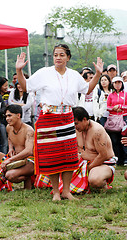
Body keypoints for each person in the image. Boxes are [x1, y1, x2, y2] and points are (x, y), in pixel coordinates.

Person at [16, 44, 103, 201]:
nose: (58, 58)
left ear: (68, 57)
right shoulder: (44, 73)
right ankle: (56, 192)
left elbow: (87, 89)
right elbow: (25, 86)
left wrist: (97, 74)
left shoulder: (75, 75)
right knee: (52, 156)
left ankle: (66, 191)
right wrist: (19, 71)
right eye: (55, 55)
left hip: (67, 118)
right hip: (48, 118)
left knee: (69, 155)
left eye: (62, 55)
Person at [0, 104, 34, 189]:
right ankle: (1, 184)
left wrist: (10, 160)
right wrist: (11, 148)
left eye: (9, 115)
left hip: (30, 162)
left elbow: (28, 151)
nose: (7, 118)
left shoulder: (29, 130)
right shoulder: (9, 127)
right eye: (6, 116)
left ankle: (28, 178)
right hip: (15, 158)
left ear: (18, 115)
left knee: (10, 175)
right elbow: (10, 138)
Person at [73, 106, 117, 190]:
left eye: (76, 123)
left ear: (85, 119)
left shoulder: (97, 131)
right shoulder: (77, 130)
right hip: (84, 162)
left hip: (104, 163)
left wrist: (87, 169)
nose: (75, 126)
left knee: (95, 180)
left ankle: (103, 184)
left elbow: (103, 155)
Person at [107, 76, 127, 165]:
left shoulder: (125, 94)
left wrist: (120, 107)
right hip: (113, 119)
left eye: (119, 82)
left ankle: (125, 158)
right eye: (116, 83)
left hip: (124, 118)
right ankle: (117, 158)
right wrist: (113, 108)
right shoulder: (111, 95)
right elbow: (107, 107)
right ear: (113, 84)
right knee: (114, 140)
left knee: (123, 139)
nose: (118, 84)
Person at [0, 77, 9, 154]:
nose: (6, 87)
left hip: (8, 120)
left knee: (7, 141)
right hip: (0, 120)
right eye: (4, 85)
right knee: (2, 141)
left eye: (7, 85)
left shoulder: (9, 94)